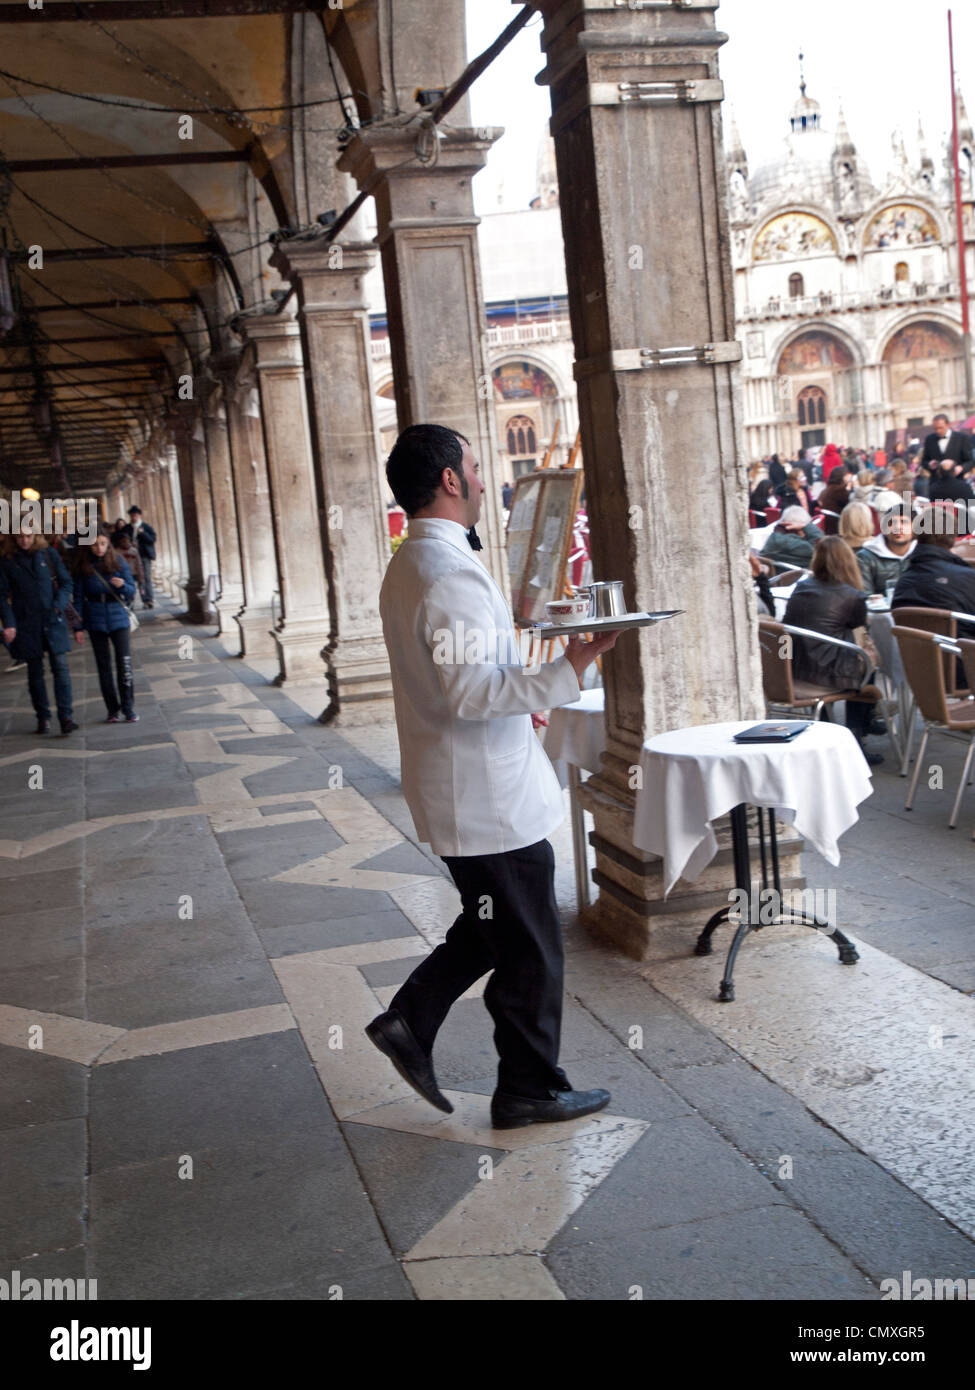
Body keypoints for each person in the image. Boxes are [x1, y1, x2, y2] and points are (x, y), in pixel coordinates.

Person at [368, 422, 618, 1130]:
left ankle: (408, 1022)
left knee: (492, 928)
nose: (483, 479)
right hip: (484, 800)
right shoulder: (445, 571)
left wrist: (526, 697)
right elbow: (470, 693)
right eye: (474, 467)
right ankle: (527, 1090)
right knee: (531, 947)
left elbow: (465, 681)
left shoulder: (417, 561)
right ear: (449, 478)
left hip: (471, 785)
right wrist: (572, 665)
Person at [784, 536, 884, 765]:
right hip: (826, 677)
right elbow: (859, 625)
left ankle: (837, 731)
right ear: (849, 562)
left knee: (860, 659)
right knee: (869, 663)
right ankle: (857, 736)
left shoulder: (801, 587)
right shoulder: (853, 596)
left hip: (794, 672)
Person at [0, 527, 78, 735]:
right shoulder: (7, 560)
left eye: (28, 536)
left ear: (35, 534)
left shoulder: (48, 554)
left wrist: (58, 605)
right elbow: (1, 595)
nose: (24, 541)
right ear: (13, 538)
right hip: (26, 623)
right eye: (19, 537)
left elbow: (66, 583)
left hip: (52, 619)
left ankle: (66, 716)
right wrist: (9, 623)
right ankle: (43, 717)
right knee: (35, 673)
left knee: (60, 669)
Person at [73, 532, 138, 723]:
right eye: (94, 545)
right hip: (95, 619)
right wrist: (77, 626)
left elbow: (131, 591)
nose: (99, 548)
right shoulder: (83, 566)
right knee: (104, 667)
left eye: (102, 543)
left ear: (108, 543)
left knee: (124, 663)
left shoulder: (118, 561)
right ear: (88, 546)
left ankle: (128, 707)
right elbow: (77, 598)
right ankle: (112, 709)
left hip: (118, 617)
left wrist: (123, 586)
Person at [892, 505, 975, 615]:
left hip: (911, 631)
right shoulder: (968, 578)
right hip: (960, 632)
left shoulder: (903, 581)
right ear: (953, 539)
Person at [855, 504, 916, 595]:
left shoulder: (923, 554)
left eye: (904, 522)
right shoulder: (866, 557)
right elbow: (865, 596)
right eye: (891, 523)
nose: (897, 527)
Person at [126, 506, 157, 608]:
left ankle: (148, 600)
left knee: (146, 577)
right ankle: (131, 600)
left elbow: (152, 539)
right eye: (132, 515)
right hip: (130, 557)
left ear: (139, 515)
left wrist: (142, 534)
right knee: (131, 578)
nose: (134, 517)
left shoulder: (146, 527)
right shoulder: (127, 528)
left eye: (136, 515)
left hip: (144, 556)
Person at [815, 466, 854, 534]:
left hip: (828, 525)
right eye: (847, 474)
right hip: (837, 525)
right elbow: (850, 507)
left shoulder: (826, 489)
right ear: (843, 477)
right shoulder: (839, 491)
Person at [112, 530, 145, 595]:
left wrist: (141, 574)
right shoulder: (116, 552)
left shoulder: (134, 550)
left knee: (140, 588)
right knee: (127, 590)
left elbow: (139, 564)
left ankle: (144, 598)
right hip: (123, 573)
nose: (125, 543)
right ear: (119, 542)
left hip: (134, 573)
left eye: (127, 541)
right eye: (123, 541)